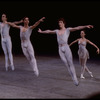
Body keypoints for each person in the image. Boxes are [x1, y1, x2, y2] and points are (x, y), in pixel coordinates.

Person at [38, 18, 93, 86]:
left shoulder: (67, 30)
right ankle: (73, 77)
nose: (59, 24)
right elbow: (49, 31)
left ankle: (75, 79)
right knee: (66, 64)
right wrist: (41, 31)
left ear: (64, 23)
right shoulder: (57, 31)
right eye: (59, 22)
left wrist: (86, 26)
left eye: (61, 22)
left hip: (66, 47)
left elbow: (77, 28)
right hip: (60, 48)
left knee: (70, 63)